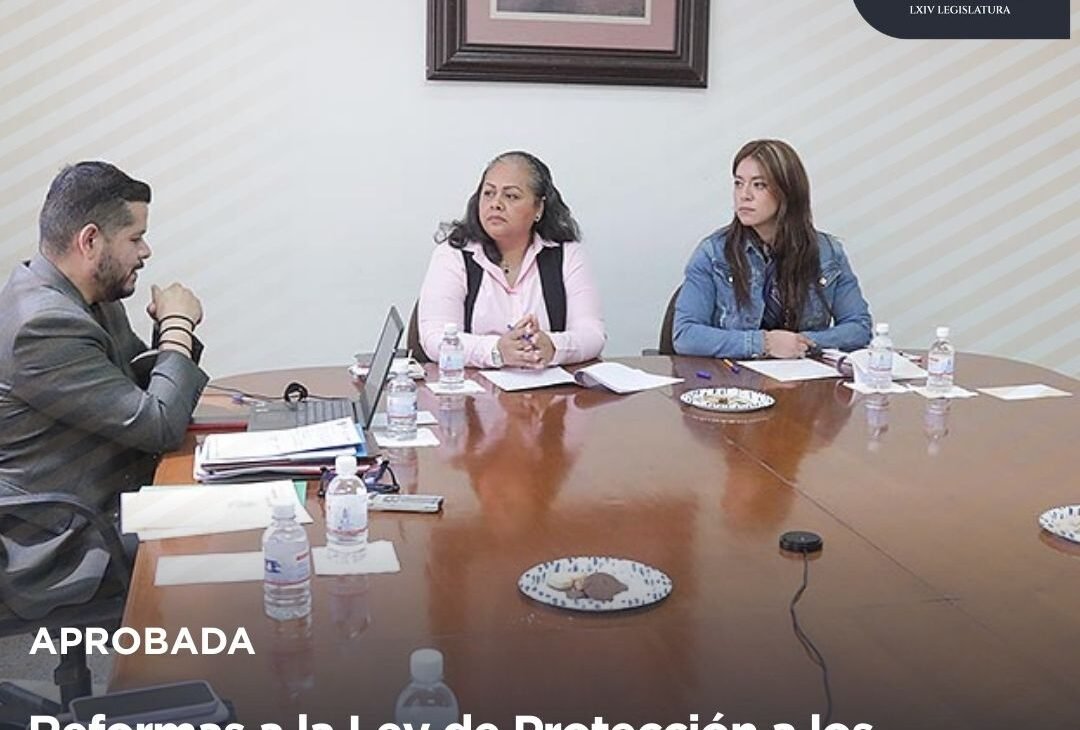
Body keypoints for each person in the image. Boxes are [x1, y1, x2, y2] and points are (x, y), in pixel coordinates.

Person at [0, 161, 208, 515]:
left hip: (119, 495)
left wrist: (170, 331)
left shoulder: (91, 295)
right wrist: (177, 324)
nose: (145, 251)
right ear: (90, 241)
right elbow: (159, 426)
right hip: (78, 529)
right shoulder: (43, 326)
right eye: (135, 238)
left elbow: (136, 389)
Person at [673, 140, 871, 359]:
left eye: (759, 185)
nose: (744, 195)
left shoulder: (828, 253)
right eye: (738, 183)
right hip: (733, 376)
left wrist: (800, 343)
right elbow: (685, 335)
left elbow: (859, 328)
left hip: (803, 376)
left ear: (787, 191)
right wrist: (764, 343)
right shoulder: (713, 252)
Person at [418, 151, 605, 369]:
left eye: (511, 196)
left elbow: (592, 334)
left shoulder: (567, 255)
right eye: (488, 193)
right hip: (473, 388)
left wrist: (553, 346)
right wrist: (497, 350)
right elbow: (435, 338)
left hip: (548, 387)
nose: (495, 203)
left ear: (539, 208)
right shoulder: (453, 255)